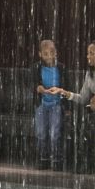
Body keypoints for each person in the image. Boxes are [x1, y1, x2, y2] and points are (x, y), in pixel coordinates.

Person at [32, 37, 65, 169]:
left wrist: (65, 103)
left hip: (56, 104)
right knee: (41, 132)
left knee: (54, 133)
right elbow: (33, 83)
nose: (49, 56)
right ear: (40, 54)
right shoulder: (36, 68)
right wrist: (38, 88)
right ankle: (43, 158)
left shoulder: (61, 68)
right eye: (46, 53)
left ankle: (57, 160)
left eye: (52, 52)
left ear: (56, 52)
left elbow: (66, 85)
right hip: (42, 105)